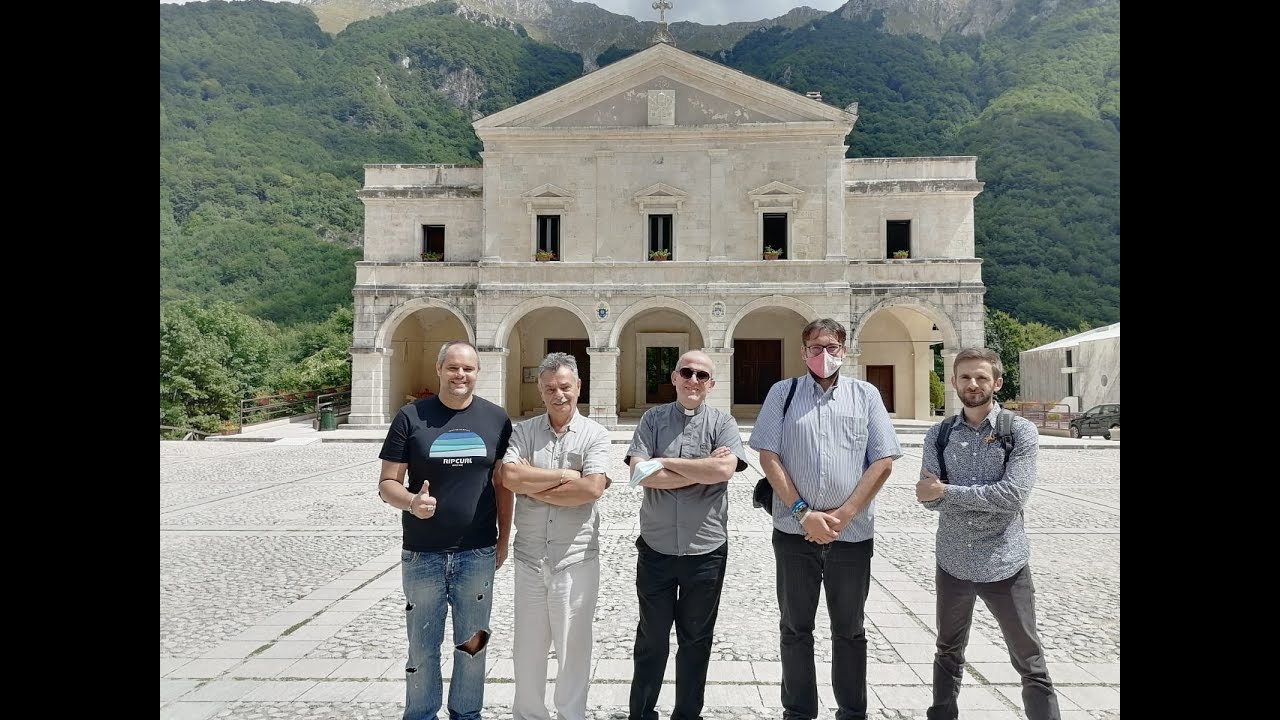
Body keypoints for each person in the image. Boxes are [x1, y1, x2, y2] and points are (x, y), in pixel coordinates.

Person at [748, 318, 901, 720]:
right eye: (816, 347)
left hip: (851, 537)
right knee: (795, 628)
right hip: (794, 534)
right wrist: (803, 514)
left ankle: (852, 712)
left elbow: (883, 461)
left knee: (849, 631)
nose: (824, 355)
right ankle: (798, 711)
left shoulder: (865, 395)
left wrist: (842, 515)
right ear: (803, 352)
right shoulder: (784, 393)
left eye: (832, 347)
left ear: (844, 351)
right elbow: (768, 456)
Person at [916, 348, 1061, 720]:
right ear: (953, 382)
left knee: (1029, 658)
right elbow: (926, 499)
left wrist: (949, 492)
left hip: (1005, 564)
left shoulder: (1019, 432)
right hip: (953, 563)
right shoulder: (940, 433)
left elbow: (1012, 496)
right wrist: (957, 496)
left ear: (997, 382)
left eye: (981, 377)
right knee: (947, 652)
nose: (973, 384)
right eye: (965, 377)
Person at [376, 340, 514, 720]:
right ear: (439, 369)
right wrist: (410, 503)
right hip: (422, 553)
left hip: (477, 552)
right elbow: (387, 482)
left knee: (473, 644)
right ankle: (420, 714)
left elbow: (503, 484)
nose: (460, 375)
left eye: (468, 369)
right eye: (453, 367)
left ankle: (466, 714)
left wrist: (504, 537)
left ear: (477, 373)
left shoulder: (496, 419)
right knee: (421, 647)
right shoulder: (411, 417)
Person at [625, 350, 749, 720]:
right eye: (687, 373)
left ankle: (686, 715)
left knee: (696, 641)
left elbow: (726, 470)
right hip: (657, 548)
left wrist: (663, 462)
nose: (694, 380)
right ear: (675, 377)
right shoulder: (652, 420)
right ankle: (642, 713)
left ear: (711, 384)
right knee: (651, 639)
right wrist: (704, 468)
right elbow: (638, 473)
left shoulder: (722, 423)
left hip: (705, 551)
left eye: (702, 375)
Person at [499, 352, 612, 720]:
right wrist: (567, 475)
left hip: (575, 557)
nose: (558, 394)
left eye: (565, 386)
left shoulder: (596, 434)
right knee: (527, 650)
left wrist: (534, 484)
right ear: (540, 390)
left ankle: (571, 716)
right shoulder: (524, 431)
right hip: (530, 557)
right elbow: (510, 477)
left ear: (578, 387)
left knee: (573, 649)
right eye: (550, 388)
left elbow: (592, 488)